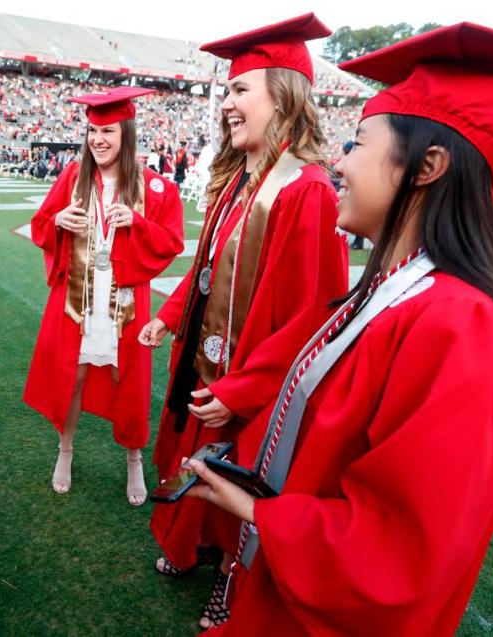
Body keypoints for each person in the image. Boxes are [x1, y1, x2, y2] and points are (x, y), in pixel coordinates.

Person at [186, 22, 493, 635]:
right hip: (280, 586)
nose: (338, 162)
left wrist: (260, 514)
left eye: (357, 143)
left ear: (427, 165)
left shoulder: (467, 328)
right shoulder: (388, 293)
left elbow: (403, 554)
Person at [137, 13, 349, 628]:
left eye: (239, 91)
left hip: (254, 382)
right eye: (226, 91)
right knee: (194, 454)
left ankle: (230, 578)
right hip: (208, 356)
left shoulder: (305, 191)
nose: (226, 104)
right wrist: (171, 314)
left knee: (241, 481)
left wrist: (242, 389)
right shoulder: (239, 181)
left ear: (281, 98)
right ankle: (191, 543)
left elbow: (313, 315)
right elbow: (208, 272)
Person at [24, 87, 184, 506]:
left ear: (126, 133)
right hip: (78, 301)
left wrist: (137, 222)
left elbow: (172, 243)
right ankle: (65, 451)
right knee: (72, 378)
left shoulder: (156, 187)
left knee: (126, 383)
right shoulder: (72, 178)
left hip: (126, 305)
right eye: (93, 131)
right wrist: (58, 220)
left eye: (107, 131)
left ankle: (133, 459)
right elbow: (41, 225)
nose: (98, 139)